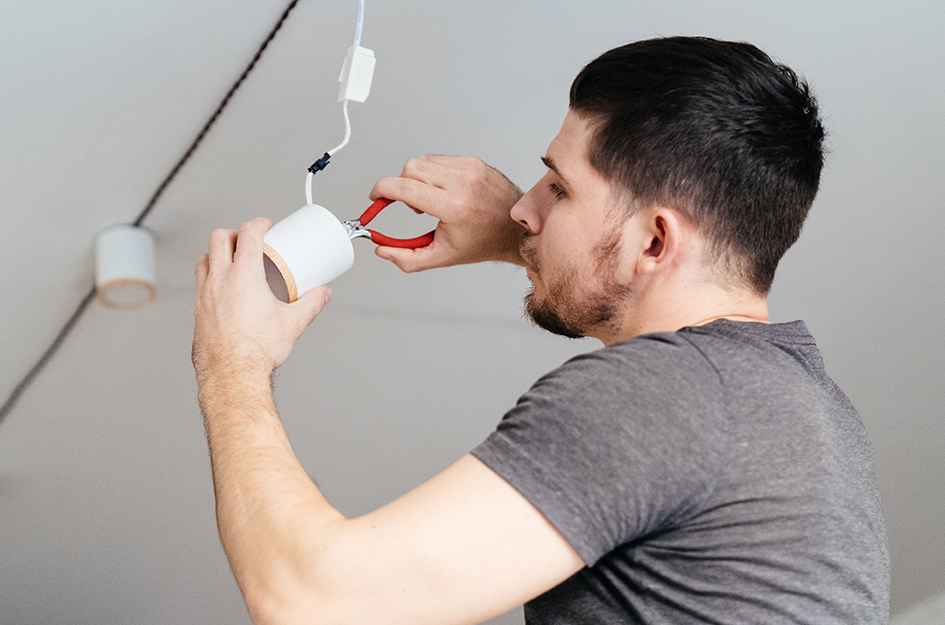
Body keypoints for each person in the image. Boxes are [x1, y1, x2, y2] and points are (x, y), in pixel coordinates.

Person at [191, 36, 889, 624]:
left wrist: (233, 360)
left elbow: (317, 601)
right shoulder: (803, 407)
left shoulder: (663, 395)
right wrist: (525, 241)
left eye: (558, 187)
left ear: (653, 243)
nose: (522, 205)